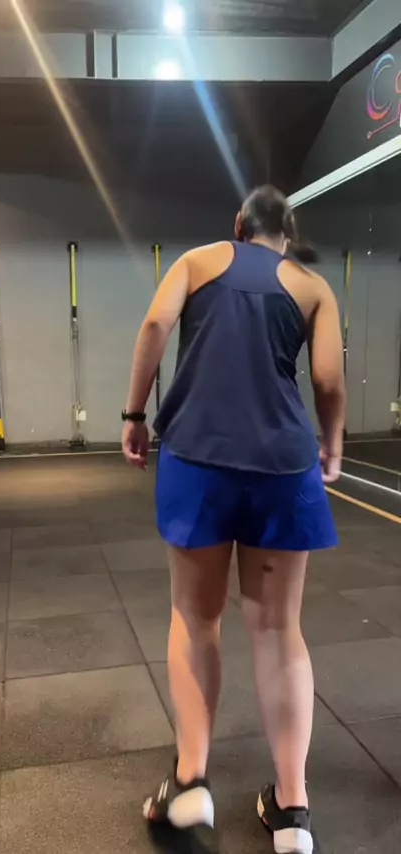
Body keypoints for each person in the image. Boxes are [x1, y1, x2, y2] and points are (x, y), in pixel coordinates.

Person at [122, 185, 346, 854]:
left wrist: (134, 414)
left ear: (238, 225)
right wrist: (332, 443)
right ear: (287, 234)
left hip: (199, 457)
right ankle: (292, 811)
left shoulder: (197, 261)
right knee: (279, 630)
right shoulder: (312, 287)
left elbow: (154, 328)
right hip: (282, 465)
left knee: (195, 618)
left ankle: (191, 784)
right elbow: (328, 381)